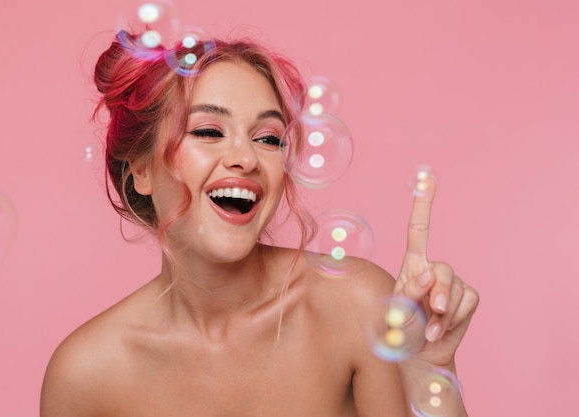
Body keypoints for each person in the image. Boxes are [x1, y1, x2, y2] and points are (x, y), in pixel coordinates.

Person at [40, 30, 479, 417]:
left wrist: (428, 370)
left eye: (268, 138)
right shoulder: (85, 375)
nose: (246, 159)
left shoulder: (358, 307)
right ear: (141, 170)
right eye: (208, 132)